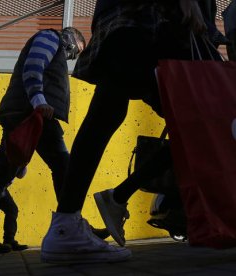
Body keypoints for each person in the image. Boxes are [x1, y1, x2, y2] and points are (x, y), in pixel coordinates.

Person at [41, 0, 216, 264]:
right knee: (199, 123)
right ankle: (82, 215)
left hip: (131, 17)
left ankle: (71, 220)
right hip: (153, 16)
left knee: (111, 110)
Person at [0, 27, 93, 255]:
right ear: (70, 40)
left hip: (28, 112)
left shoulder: (51, 43)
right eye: (75, 51)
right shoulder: (50, 37)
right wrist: (38, 99)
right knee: (64, 167)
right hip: (35, 114)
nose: (73, 57)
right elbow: (33, 65)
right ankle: (73, 228)